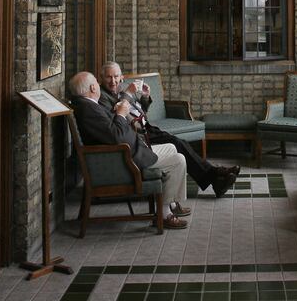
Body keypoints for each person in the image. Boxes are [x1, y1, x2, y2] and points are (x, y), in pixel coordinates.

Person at [97, 62, 238, 201]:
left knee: (179, 142)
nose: (113, 81)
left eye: (116, 76)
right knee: (177, 143)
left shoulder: (121, 90)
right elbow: (118, 119)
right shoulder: (103, 97)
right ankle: (215, 175)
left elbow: (139, 114)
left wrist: (145, 97)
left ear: (121, 77)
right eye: (109, 77)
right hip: (135, 136)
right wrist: (129, 93)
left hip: (147, 129)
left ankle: (215, 177)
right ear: (101, 78)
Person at [68, 71, 190, 229]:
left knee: (171, 147)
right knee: (178, 160)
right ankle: (165, 213)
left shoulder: (86, 105)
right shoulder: (88, 109)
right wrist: (120, 114)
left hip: (127, 153)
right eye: (97, 83)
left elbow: (109, 130)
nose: (99, 85)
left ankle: (171, 203)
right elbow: (116, 136)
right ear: (92, 87)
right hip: (124, 160)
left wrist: (118, 113)